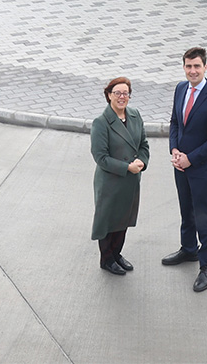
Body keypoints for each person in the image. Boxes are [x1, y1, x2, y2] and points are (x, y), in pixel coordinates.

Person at [162, 46, 207, 292]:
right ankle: (188, 249)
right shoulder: (181, 89)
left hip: (203, 170)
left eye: (197, 66)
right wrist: (174, 150)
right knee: (186, 211)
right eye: (188, 66)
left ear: (205, 67)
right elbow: (174, 123)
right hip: (181, 166)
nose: (192, 71)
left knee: (204, 216)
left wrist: (191, 159)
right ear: (184, 67)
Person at [90, 77, 150, 276]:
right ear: (109, 95)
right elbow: (101, 157)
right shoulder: (101, 122)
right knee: (108, 221)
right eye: (117, 93)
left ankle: (117, 254)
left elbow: (143, 144)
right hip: (111, 181)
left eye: (125, 93)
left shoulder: (134, 115)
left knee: (124, 219)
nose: (122, 97)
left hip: (131, 180)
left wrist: (142, 162)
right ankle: (106, 259)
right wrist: (127, 167)